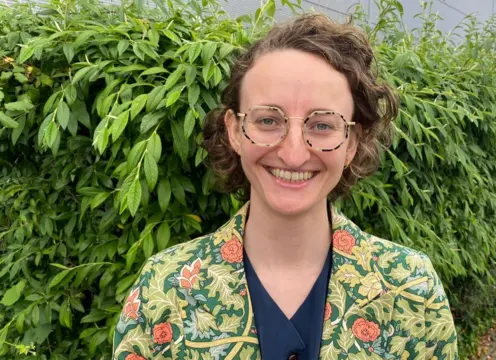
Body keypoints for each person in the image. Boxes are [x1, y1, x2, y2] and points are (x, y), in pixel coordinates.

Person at [112, 13, 458, 360]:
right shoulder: (162, 290)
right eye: (267, 120)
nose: (293, 154)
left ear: (352, 142)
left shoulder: (413, 289)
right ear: (234, 130)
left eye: (322, 125)